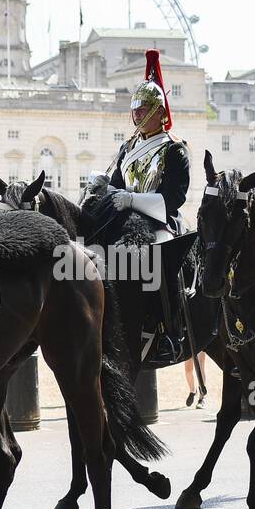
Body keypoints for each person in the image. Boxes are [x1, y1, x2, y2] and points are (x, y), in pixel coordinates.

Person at [99, 48, 191, 364]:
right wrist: (103, 187)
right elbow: (117, 185)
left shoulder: (174, 150)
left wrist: (134, 200)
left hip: (161, 220)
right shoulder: (127, 148)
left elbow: (174, 198)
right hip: (125, 216)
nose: (138, 115)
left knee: (160, 255)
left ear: (159, 112)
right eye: (135, 110)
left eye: (144, 110)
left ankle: (170, 332)